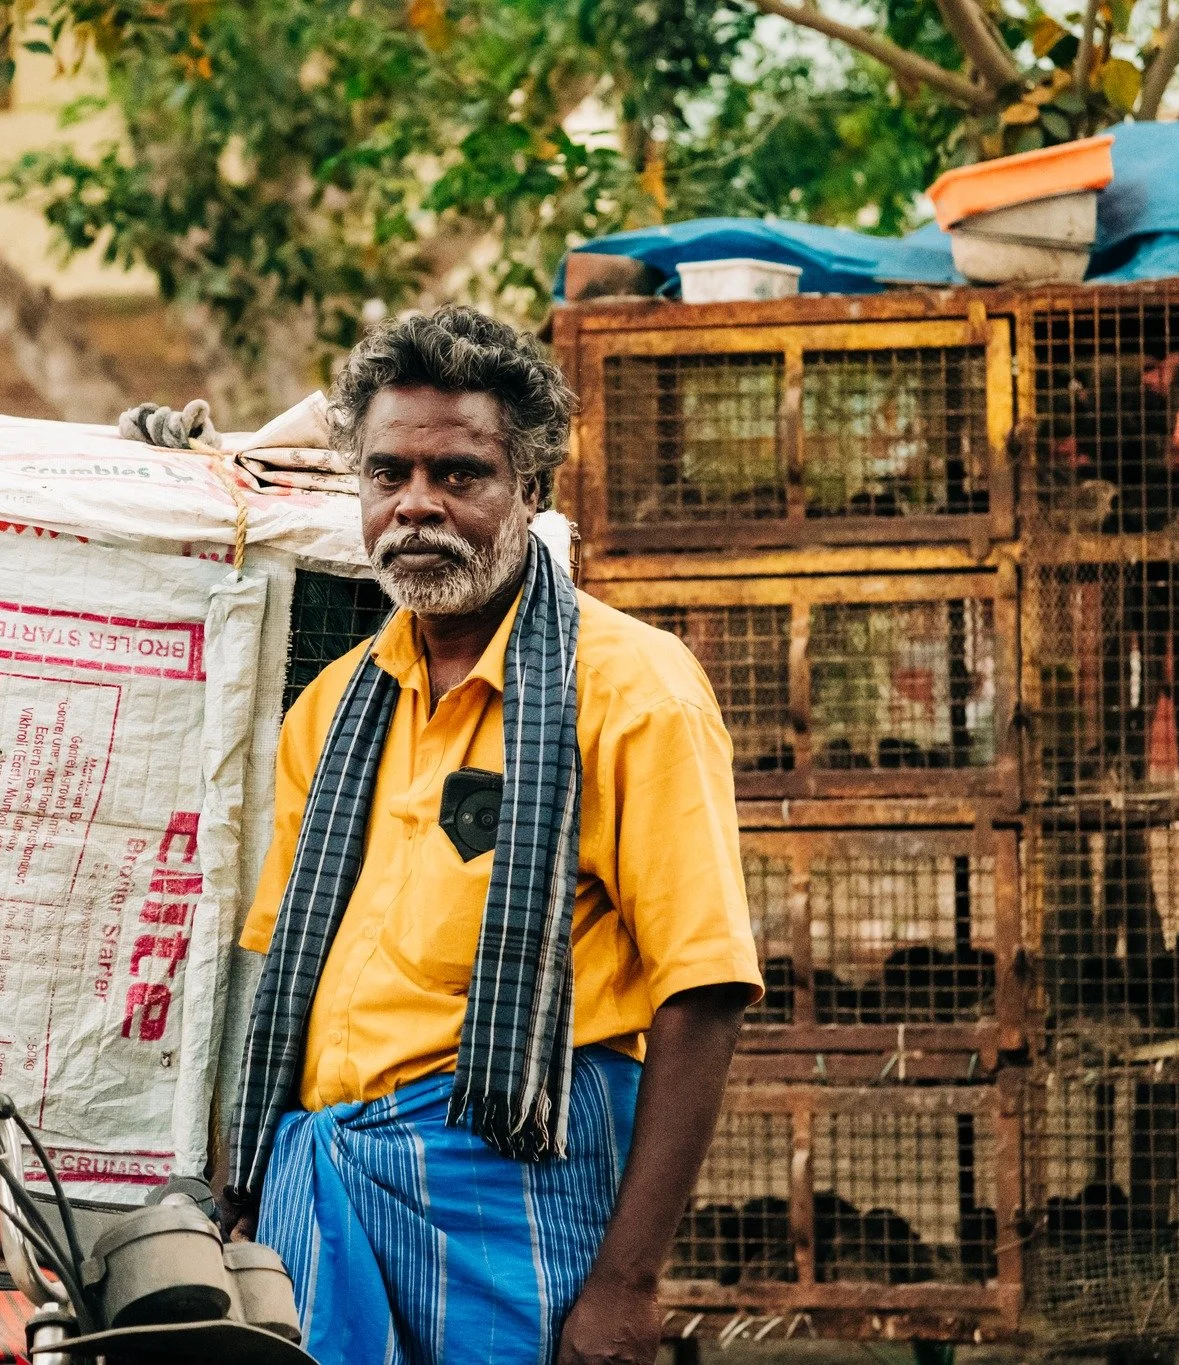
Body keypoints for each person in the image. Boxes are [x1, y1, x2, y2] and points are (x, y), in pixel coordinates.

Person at [221, 306, 762, 1365]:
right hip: (318, 1192)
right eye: (386, 476)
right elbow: (273, 965)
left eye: (457, 475)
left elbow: (700, 992)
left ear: (531, 491)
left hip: (513, 1191)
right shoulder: (331, 709)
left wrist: (625, 1282)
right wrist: (239, 1193)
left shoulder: (632, 689)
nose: (415, 506)